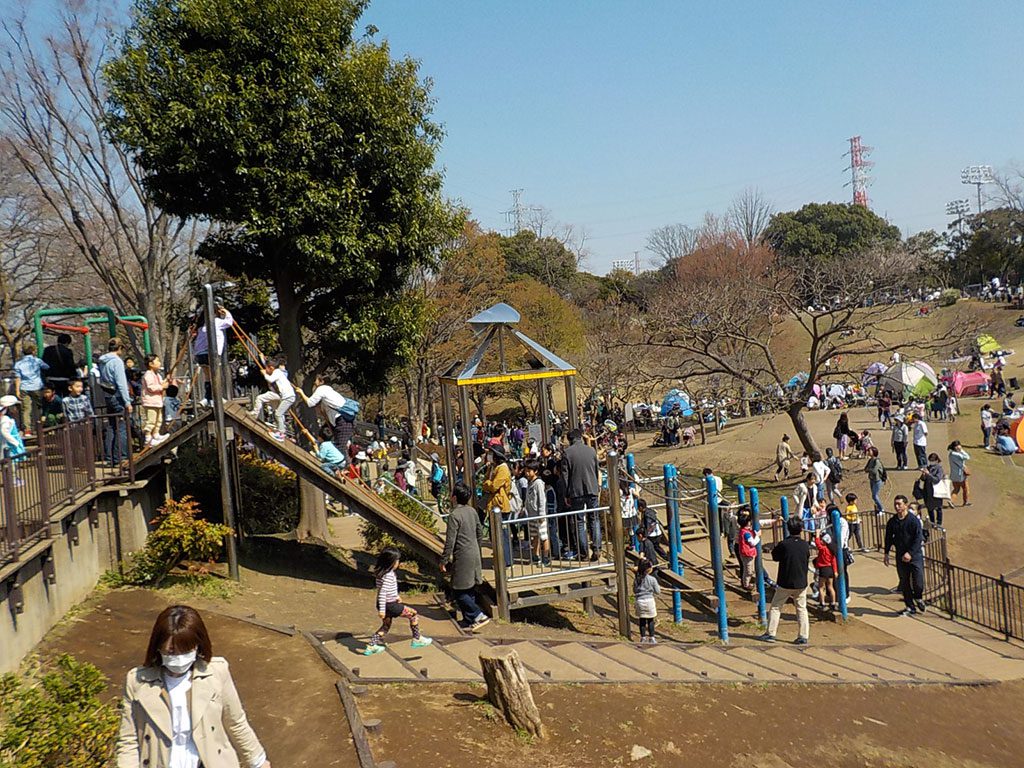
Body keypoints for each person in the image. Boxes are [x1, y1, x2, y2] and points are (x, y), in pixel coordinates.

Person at [116, 605, 270, 768]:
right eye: (170, 652)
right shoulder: (137, 681)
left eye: (186, 651)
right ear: (158, 647)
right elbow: (128, 739)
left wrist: (258, 761)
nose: (178, 658)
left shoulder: (217, 672)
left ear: (198, 645)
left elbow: (235, 722)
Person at [364, 547, 432, 655]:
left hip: (386, 603)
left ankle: (371, 645)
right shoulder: (389, 575)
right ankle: (417, 638)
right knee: (413, 614)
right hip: (390, 605)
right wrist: (382, 610)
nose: (398, 563)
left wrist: (396, 596)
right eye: (397, 561)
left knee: (386, 626)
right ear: (391, 562)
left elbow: (386, 589)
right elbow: (383, 593)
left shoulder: (381, 573)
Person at [440, 483, 490, 631]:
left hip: (462, 555)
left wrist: (444, 560)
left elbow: (450, 541)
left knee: (458, 590)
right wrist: (476, 546)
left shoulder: (454, 515)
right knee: (469, 588)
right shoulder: (472, 511)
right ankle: (469, 620)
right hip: (474, 552)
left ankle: (477, 615)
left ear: (454, 497)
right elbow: (480, 532)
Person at [759, 516, 812, 644]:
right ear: (801, 529)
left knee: (776, 607)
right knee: (801, 608)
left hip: (785, 582)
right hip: (801, 582)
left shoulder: (784, 544)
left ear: (788, 529)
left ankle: (771, 633)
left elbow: (775, 557)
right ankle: (803, 636)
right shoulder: (805, 545)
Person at [562, 428, 602, 562]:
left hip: (576, 492)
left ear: (570, 439)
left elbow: (565, 476)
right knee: (594, 519)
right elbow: (596, 470)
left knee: (579, 521)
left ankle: (584, 553)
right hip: (592, 488)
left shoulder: (567, 453)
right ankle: (597, 548)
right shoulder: (591, 451)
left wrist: (566, 494)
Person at [884, 495, 926, 616]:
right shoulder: (892, 521)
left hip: (915, 556)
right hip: (900, 556)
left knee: (918, 581)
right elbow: (888, 537)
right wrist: (886, 553)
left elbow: (918, 538)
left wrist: (910, 553)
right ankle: (910, 606)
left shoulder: (913, 521)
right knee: (904, 582)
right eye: (895, 504)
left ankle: (918, 597)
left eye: (899, 504)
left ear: (905, 505)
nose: (897, 507)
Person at [99, 338, 132, 467]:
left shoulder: (103, 361)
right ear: (120, 348)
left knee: (111, 427)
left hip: (107, 395)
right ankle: (121, 457)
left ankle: (109, 458)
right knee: (121, 428)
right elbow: (121, 383)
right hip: (117, 396)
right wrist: (127, 401)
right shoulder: (117, 362)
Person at [191, 304, 234, 401]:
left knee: (207, 376)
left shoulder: (201, 324)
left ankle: (208, 397)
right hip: (212, 352)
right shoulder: (216, 321)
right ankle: (217, 397)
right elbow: (229, 322)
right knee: (215, 375)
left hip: (199, 352)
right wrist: (225, 311)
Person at [299, 375, 353, 451]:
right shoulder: (330, 391)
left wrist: (301, 392)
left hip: (342, 421)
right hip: (342, 421)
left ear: (321, 381)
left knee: (339, 449)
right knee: (338, 446)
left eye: (316, 380)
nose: (315, 382)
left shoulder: (322, 389)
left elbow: (310, 403)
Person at [481, 445, 513, 565]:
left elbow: (494, 486)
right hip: (492, 504)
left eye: (491, 454)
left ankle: (506, 560)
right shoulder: (493, 467)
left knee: (502, 535)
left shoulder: (503, 468)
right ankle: (499, 558)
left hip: (500, 505)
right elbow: (485, 482)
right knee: (493, 534)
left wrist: (487, 484)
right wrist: (487, 481)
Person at [250, 357, 295, 441]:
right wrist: (262, 358)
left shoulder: (277, 372)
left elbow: (270, 379)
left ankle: (281, 433)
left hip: (287, 396)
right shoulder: (276, 371)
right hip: (281, 395)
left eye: (266, 368)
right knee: (278, 412)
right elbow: (268, 366)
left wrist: (264, 374)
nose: (265, 369)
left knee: (278, 414)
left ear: (271, 368)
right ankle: (280, 429)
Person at [13, 343, 48, 435]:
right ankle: (41, 426)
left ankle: (27, 430)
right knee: (40, 406)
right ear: (33, 351)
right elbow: (47, 367)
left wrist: (17, 390)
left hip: (24, 387)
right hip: (37, 386)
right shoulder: (37, 361)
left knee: (26, 409)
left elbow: (18, 378)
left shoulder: (18, 364)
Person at [522, 459, 551, 566]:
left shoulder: (538, 483)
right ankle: (535, 556)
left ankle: (546, 557)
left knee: (543, 536)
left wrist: (542, 515)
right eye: (526, 471)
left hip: (539, 515)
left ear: (535, 471)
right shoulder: (529, 483)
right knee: (535, 536)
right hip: (531, 515)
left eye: (529, 471)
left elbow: (542, 500)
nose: (527, 473)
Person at [140, 354, 171, 448]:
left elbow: (161, 384)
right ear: (151, 364)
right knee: (151, 420)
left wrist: (166, 381)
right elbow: (151, 387)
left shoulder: (157, 375)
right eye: (157, 361)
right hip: (150, 402)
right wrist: (162, 387)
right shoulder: (148, 374)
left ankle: (156, 435)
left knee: (159, 420)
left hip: (157, 401)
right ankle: (148, 438)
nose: (159, 363)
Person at [633, 558, 661, 644]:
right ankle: (652, 637)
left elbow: (634, 590)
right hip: (649, 600)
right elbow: (658, 591)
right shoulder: (652, 579)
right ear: (648, 569)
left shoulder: (637, 579)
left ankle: (643, 637)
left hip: (639, 601)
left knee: (642, 620)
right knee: (650, 620)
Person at [918, 453, 946, 527]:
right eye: (930, 460)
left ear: (936, 460)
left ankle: (939, 523)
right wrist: (923, 475)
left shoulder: (939, 469)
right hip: (927, 491)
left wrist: (928, 474)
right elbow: (923, 479)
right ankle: (932, 522)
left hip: (936, 491)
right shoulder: (928, 467)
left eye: (932, 460)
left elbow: (937, 479)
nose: (931, 462)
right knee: (929, 508)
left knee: (938, 508)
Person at [813, 528, 838, 611]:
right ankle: (833, 603)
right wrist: (835, 571)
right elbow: (833, 561)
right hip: (830, 569)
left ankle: (822, 603)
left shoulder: (823, 549)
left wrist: (817, 534)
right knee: (830, 587)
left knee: (821, 587)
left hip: (823, 569)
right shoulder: (831, 551)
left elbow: (817, 543)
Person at [736, 508, 759, 595]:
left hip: (746, 553)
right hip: (748, 554)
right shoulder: (746, 533)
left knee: (748, 569)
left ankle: (746, 583)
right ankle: (746, 584)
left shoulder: (743, 530)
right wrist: (758, 536)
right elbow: (753, 543)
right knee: (748, 570)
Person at [863, 447, 887, 516]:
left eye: (869, 451)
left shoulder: (877, 461)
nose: (868, 452)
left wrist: (869, 469)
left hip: (877, 480)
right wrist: (869, 469)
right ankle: (878, 509)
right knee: (874, 495)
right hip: (872, 479)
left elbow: (874, 471)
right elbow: (865, 469)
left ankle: (881, 509)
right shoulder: (870, 460)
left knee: (874, 495)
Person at [948, 440, 971, 507]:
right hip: (960, 475)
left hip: (954, 475)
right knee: (965, 488)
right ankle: (965, 502)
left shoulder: (951, 454)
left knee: (956, 489)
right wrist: (961, 450)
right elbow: (967, 457)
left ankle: (951, 501)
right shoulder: (957, 454)